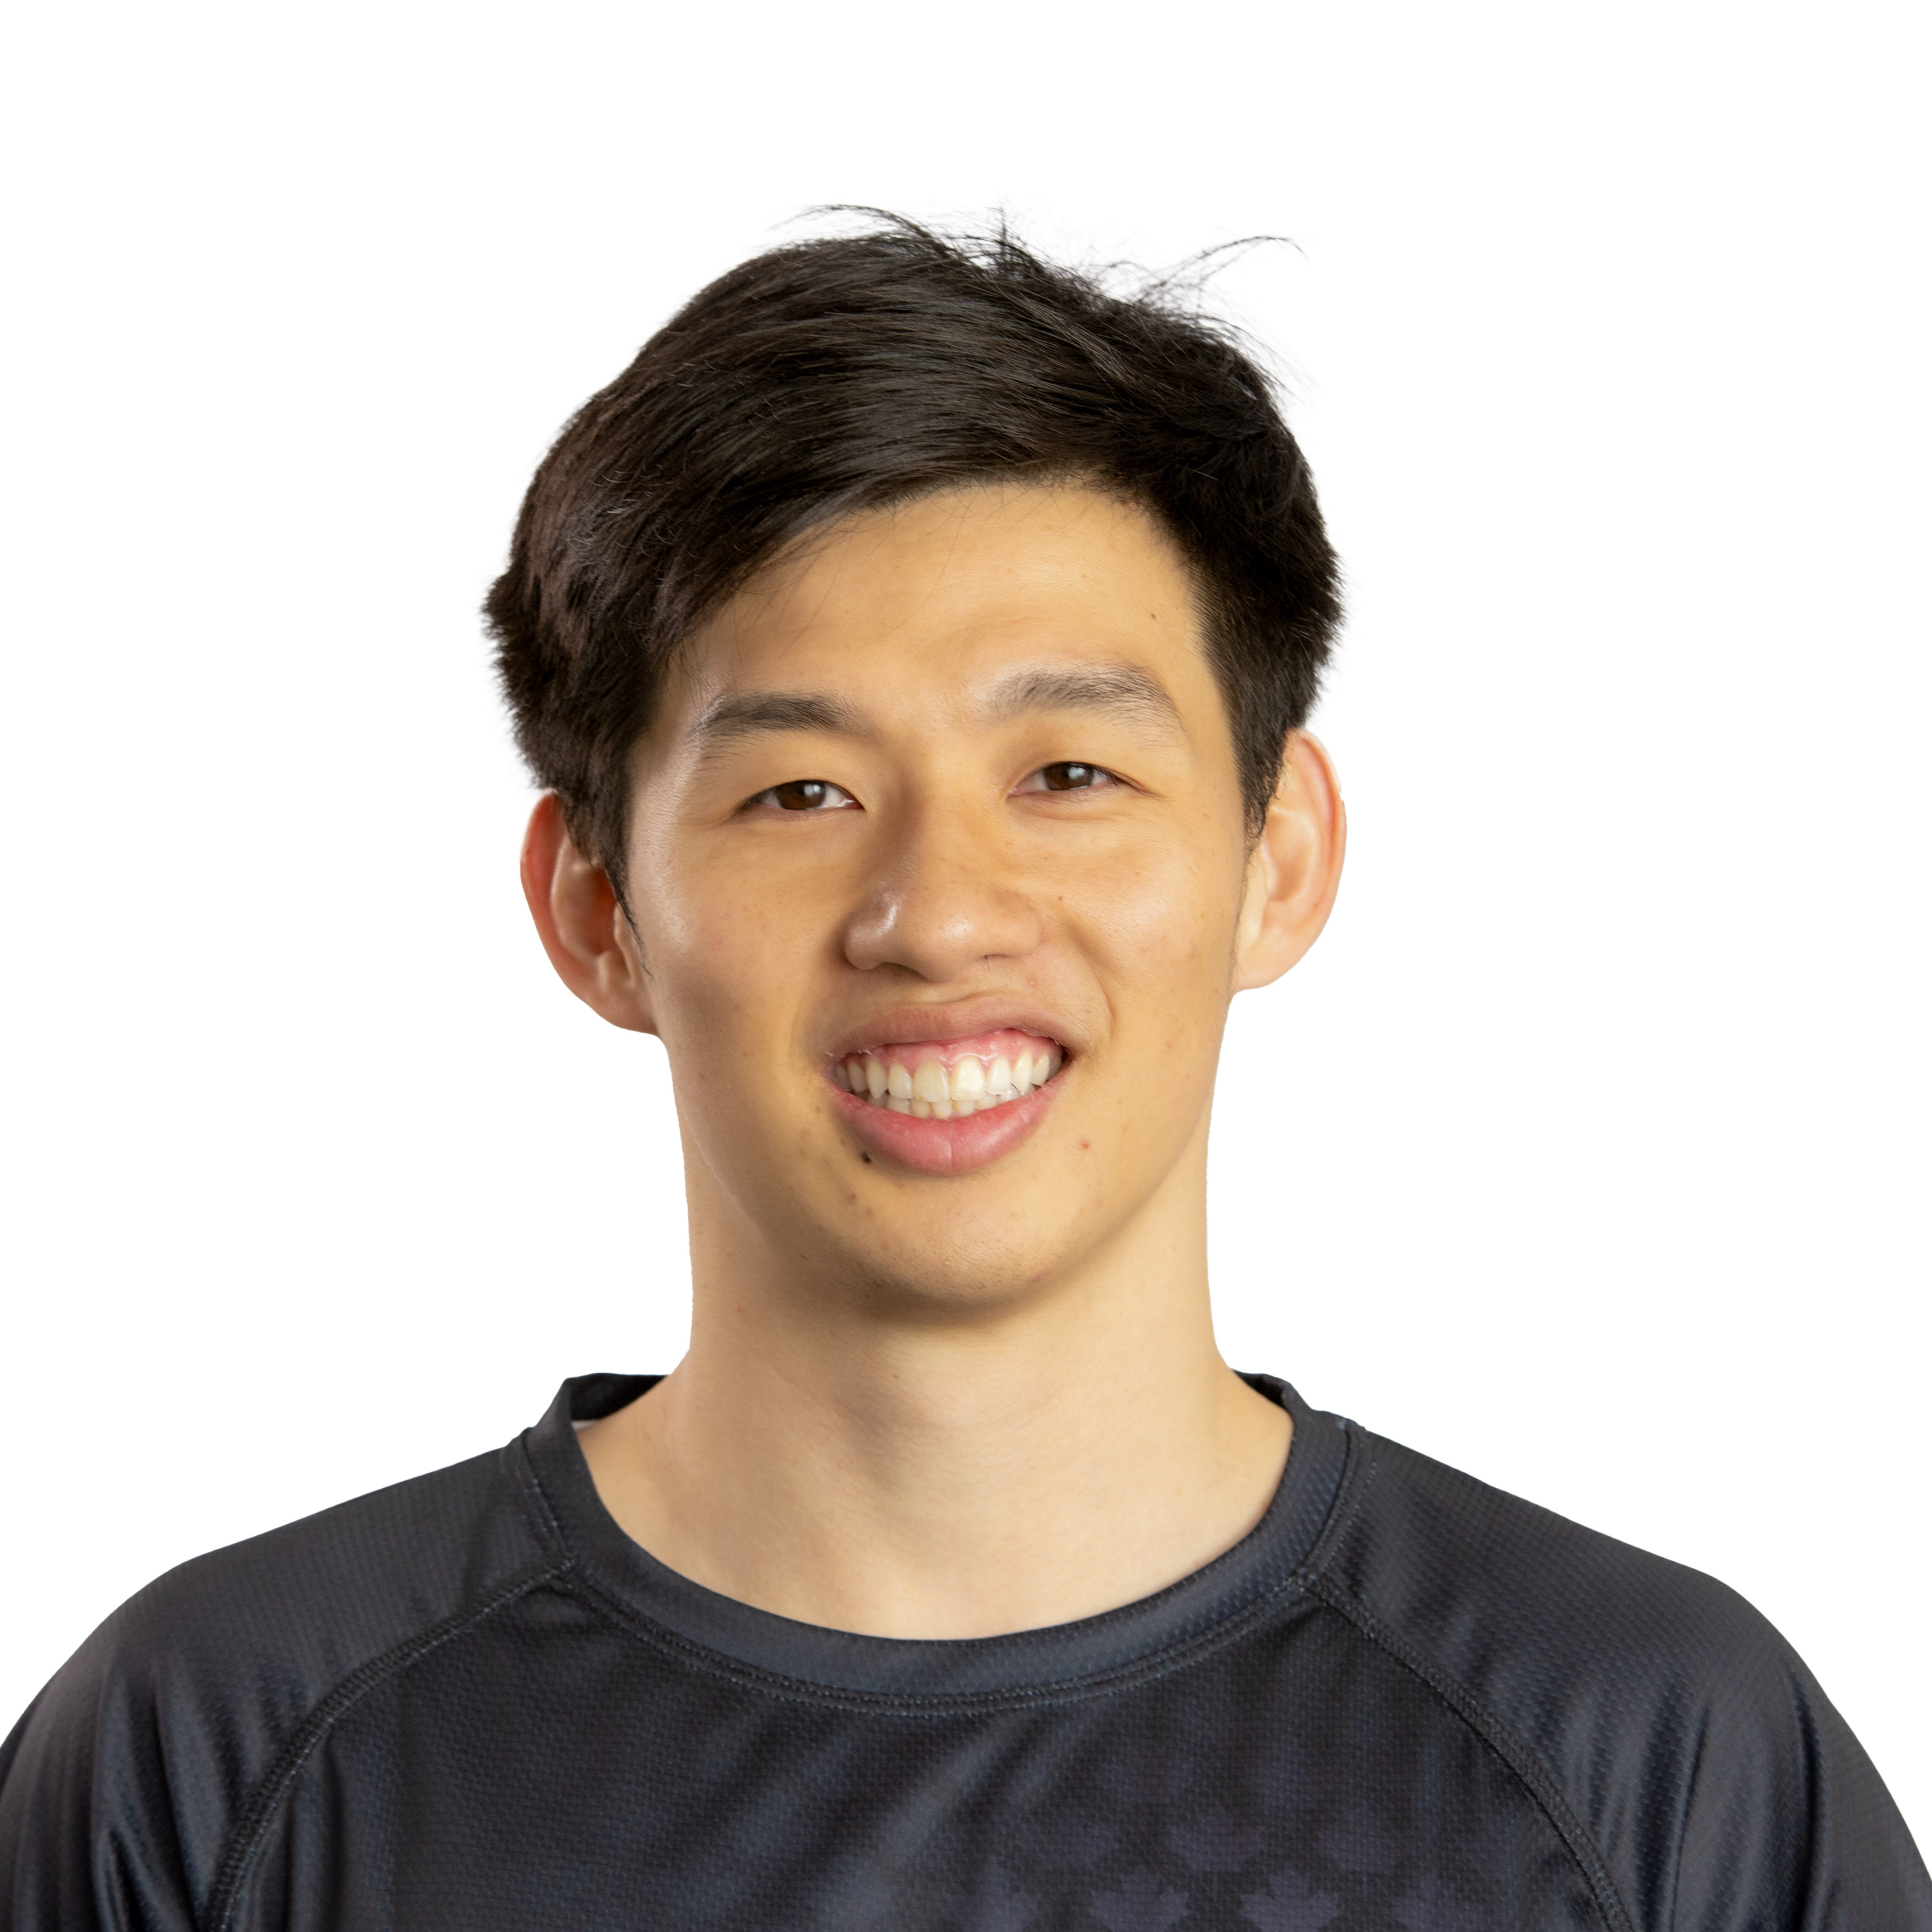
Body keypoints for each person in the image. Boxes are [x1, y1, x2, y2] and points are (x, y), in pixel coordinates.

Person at [2, 216, 1925, 1932]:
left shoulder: (1644, 1754)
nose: (935, 914)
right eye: (799, 792)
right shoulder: (215, 1760)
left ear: (1279, 858)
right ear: (598, 910)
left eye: (1069, 774)